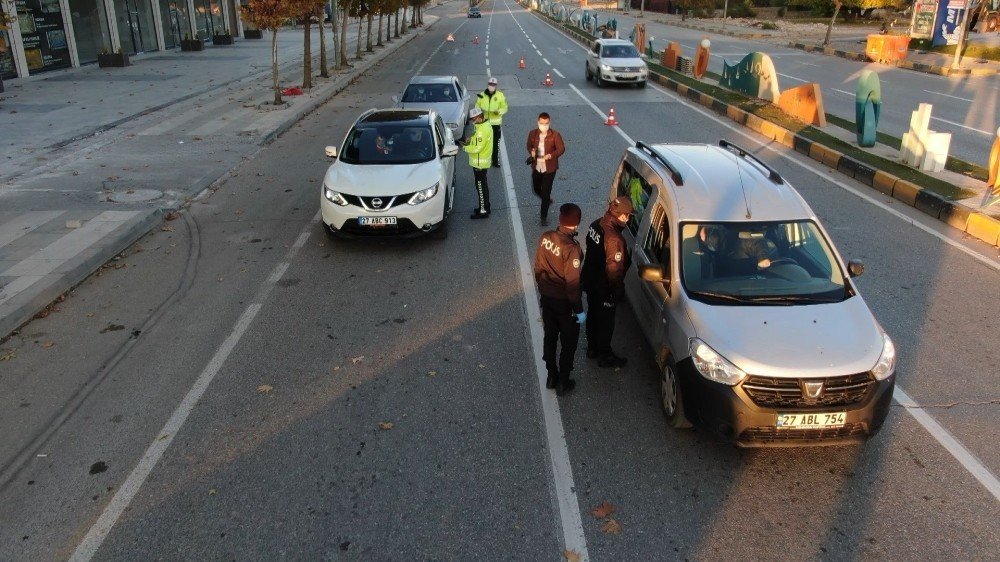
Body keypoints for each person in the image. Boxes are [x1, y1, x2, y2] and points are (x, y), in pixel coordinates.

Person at [534, 203, 585, 396]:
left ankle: (551, 376)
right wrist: (579, 310)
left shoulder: (546, 237)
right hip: (564, 304)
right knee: (568, 342)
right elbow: (572, 285)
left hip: (547, 299)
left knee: (550, 337)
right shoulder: (572, 248)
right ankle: (564, 381)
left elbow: (538, 268)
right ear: (577, 223)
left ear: (560, 220)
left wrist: (544, 289)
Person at [581, 196, 634, 368]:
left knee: (593, 315)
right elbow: (614, 270)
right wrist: (616, 290)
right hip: (603, 287)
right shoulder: (615, 240)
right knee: (605, 321)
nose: (628, 218)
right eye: (628, 215)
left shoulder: (596, 224)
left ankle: (592, 348)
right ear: (623, 216)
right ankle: (605, 355)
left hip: (590, 280)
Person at [526, 112, 566, 225]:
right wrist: (532, 151)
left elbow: (561, 149)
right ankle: (547, 199)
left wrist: (551, 155)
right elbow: (528, 145)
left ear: (549, 123)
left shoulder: (555, 135)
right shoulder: (532, 134)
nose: (544, 125)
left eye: (546, 123)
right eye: (542, 123)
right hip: (537, 167)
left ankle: (543, 217)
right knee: (536, 188)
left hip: (550, 169)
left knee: (546, 192)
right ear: (538, 122)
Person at [461, 107, 494, 219]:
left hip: (479, 163)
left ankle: (483, 211)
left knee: (480, 186)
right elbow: (477, 139)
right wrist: (471, 138)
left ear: (479, 118)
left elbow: (476, 148)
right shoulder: (484, 125)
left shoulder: (482, 130)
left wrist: (465, 147)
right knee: (483, 185)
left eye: (473, 119)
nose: (472, 121)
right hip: (482, 162)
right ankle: (485, 206)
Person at [475, 77, 508, 168]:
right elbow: (477, 106)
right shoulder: (481, 95)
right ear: (488, 84)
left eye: (493, 85)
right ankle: (483, 161)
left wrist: (499, 111)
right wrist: (480, 112)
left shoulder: (500, 95)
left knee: (495, 144)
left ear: (496, 86)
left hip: (495, 125)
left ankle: (495, 161)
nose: (491, 86)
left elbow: (505, 108)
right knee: (484, 143)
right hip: (484, 124)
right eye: (490, 84)